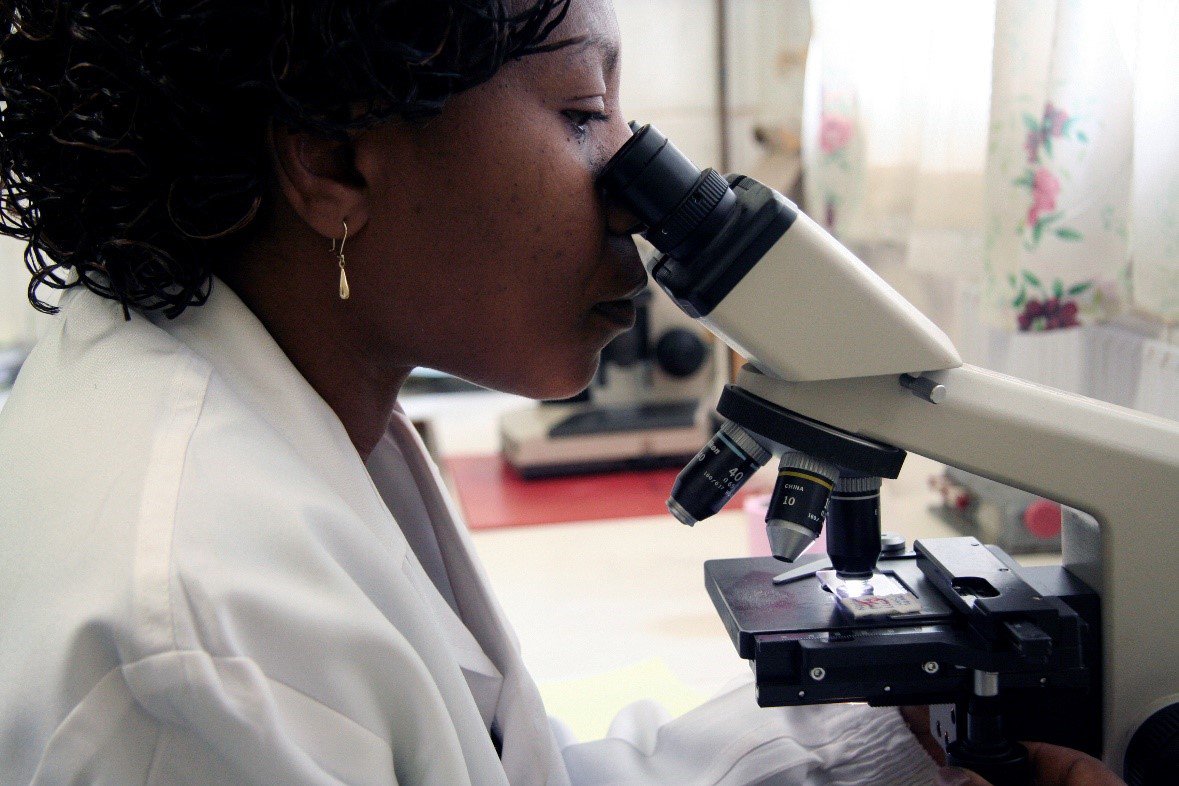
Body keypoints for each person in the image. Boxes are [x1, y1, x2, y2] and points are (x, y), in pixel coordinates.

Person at [0, 1, 1124, 783]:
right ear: (337, 161)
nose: (635, 193)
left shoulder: (274, 409)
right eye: (586, 113)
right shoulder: (203, 637)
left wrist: (884, 749)